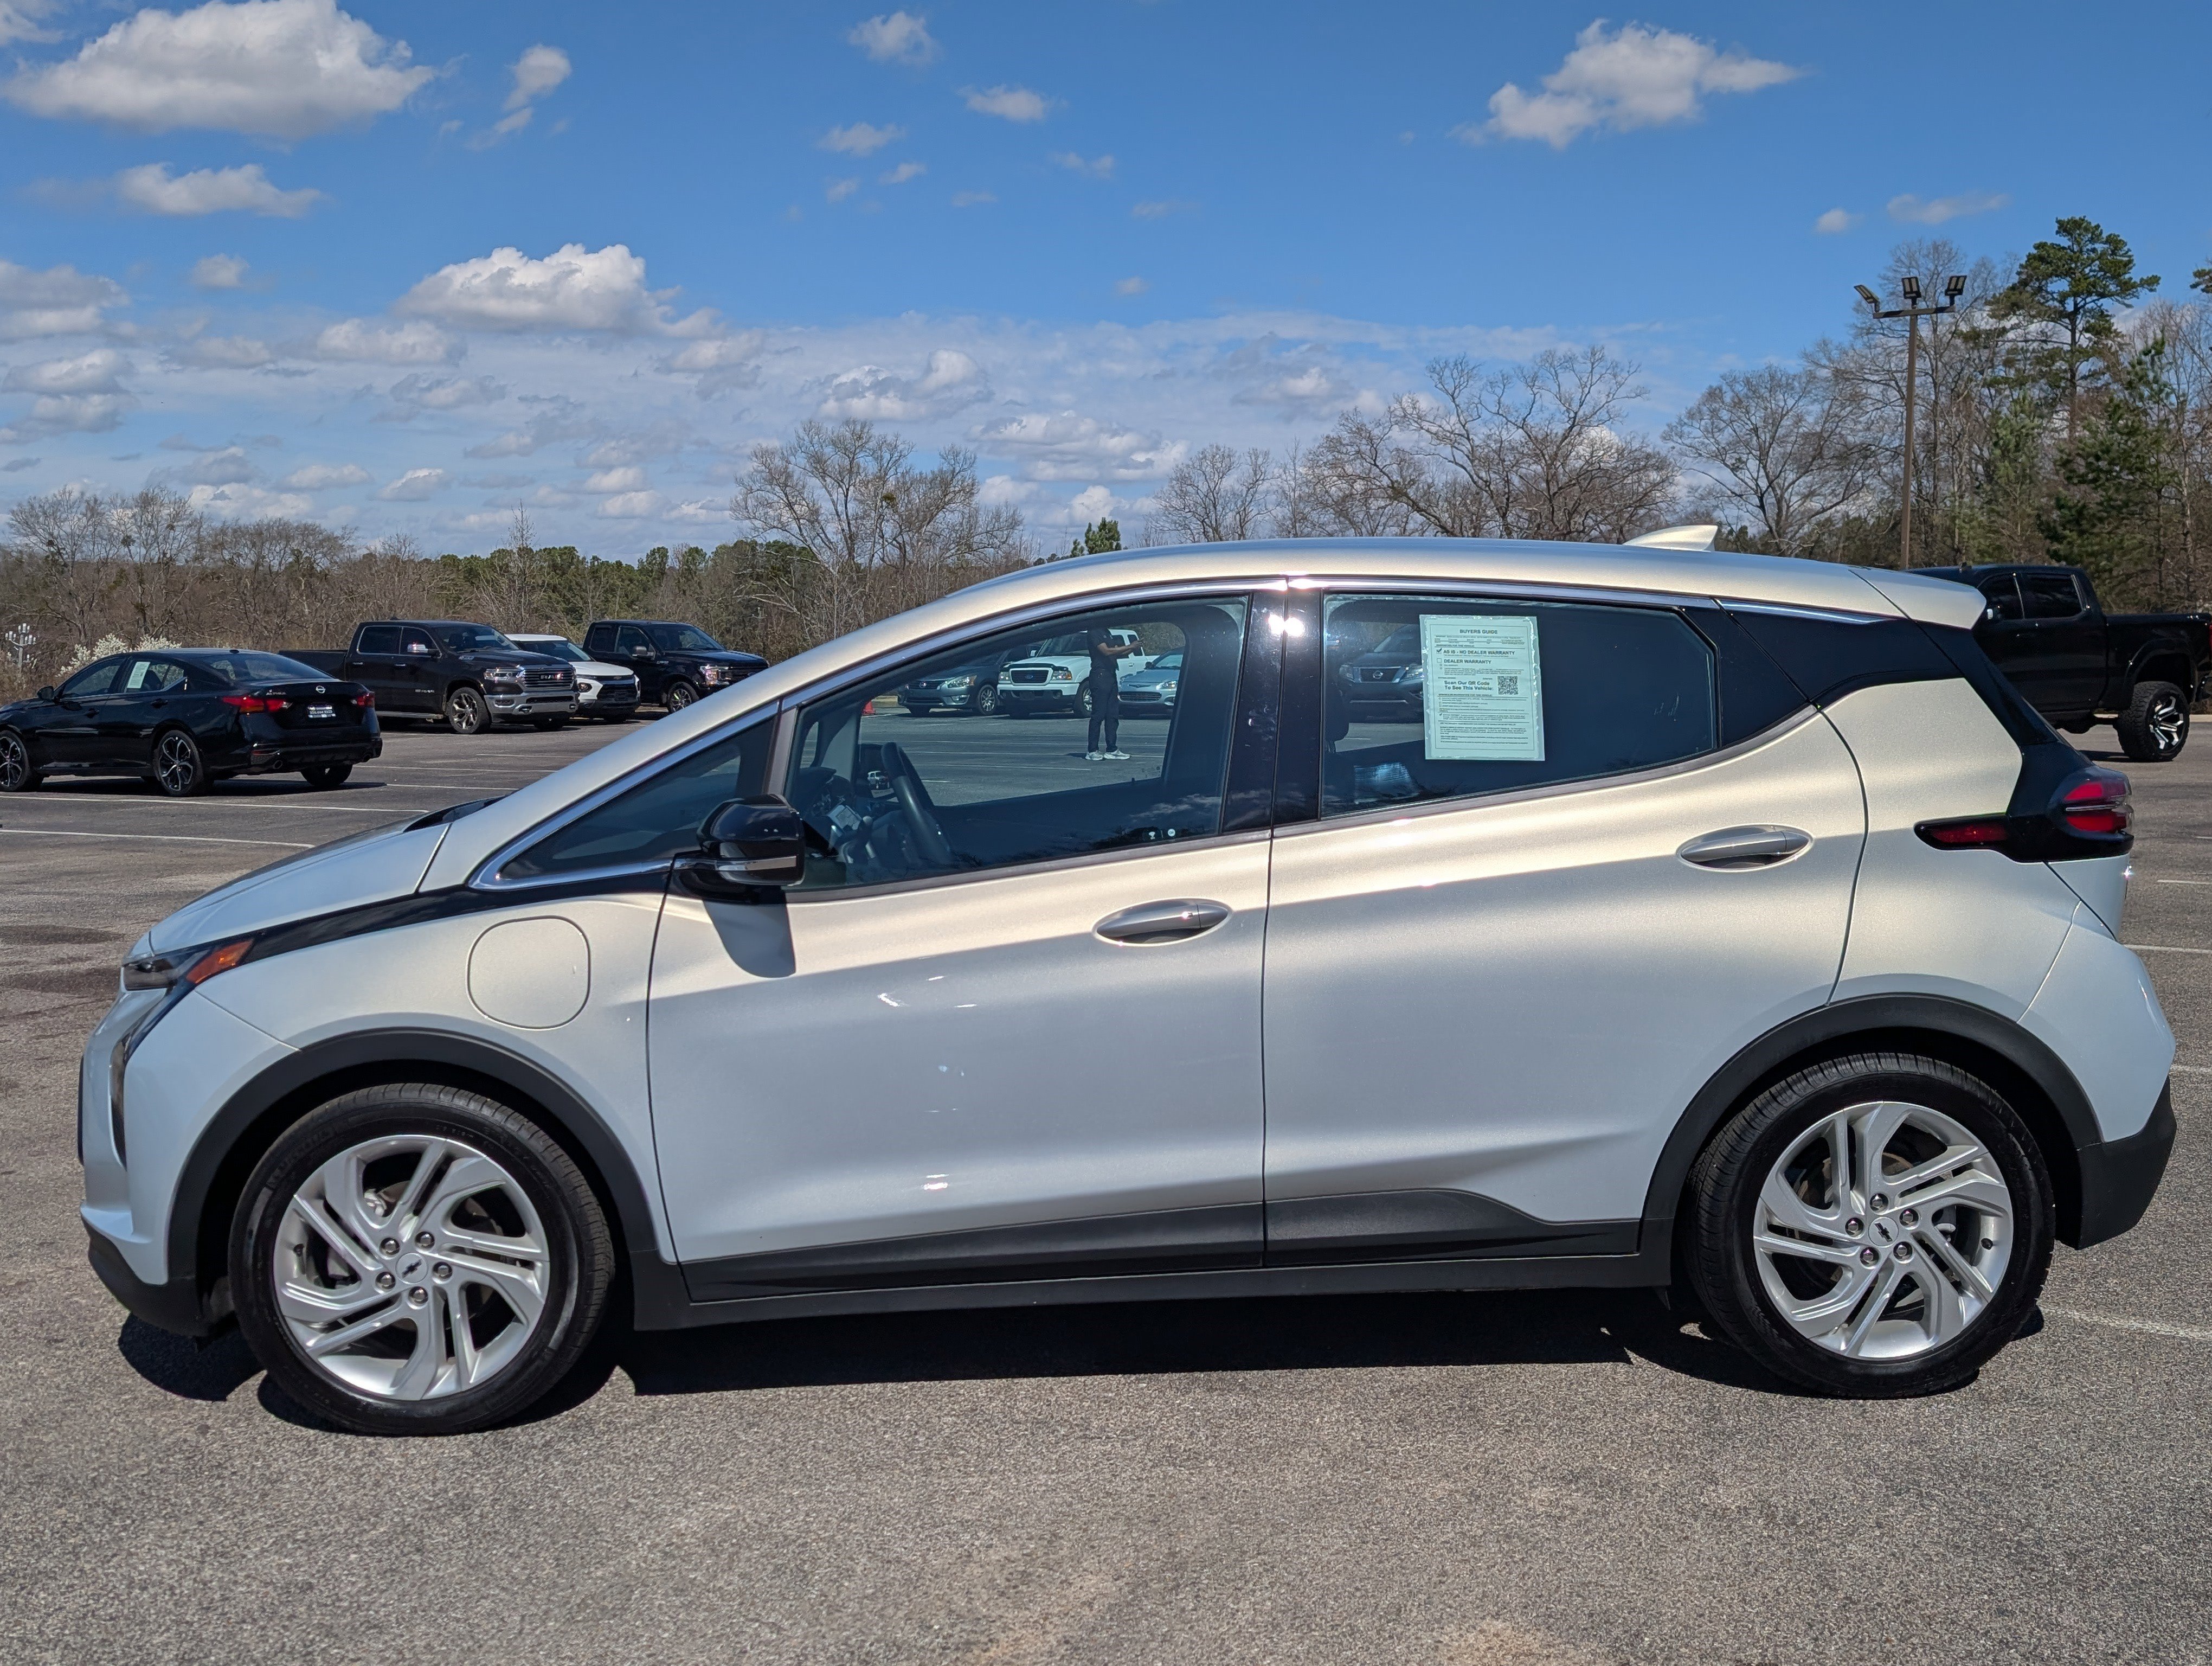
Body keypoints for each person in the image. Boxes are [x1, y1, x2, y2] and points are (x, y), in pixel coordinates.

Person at [1084, 621, 1140, 761]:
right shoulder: (1094, 631)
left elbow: (1117, 652)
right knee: (1098, 714)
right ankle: (1092, 750)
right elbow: (1106, 651)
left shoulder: (1107, 632)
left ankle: (1112, 749)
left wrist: (1133, 648)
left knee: (1112, 715)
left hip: (1111, 675)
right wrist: (1129, 646)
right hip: (1100, 675)